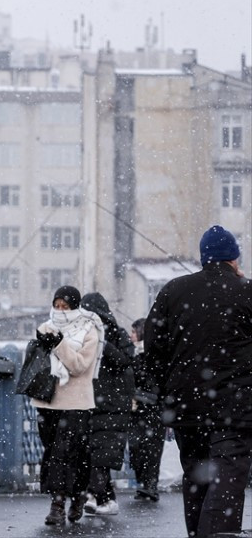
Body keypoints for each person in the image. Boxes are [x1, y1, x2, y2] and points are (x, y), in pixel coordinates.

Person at [145, 225, 251, 537]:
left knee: (197, 477)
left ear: (205, 258)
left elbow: (153, 348)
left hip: (187, 406)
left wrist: (165, 391)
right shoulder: (246, 291)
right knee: (227, 477)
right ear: (233, 259)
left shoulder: (173, 291)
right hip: (235, 407)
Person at [31, 285, 104, 526]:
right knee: (52, 453)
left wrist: (59, 344)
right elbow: (37, 362)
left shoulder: (88, 330)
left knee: (71, 453)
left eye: (65, 306)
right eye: (57, 306)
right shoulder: (45, 327)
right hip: (47, 401)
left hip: (76, 403)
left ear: (75, 306)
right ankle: (62, 498)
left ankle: (64, 502)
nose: (60, 310)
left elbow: (80, 365)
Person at [79, 292, 135, 517]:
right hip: (89, 402)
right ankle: (105, 499)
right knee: (93, 454)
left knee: (100, 455)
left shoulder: (117, 336)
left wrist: (103, 344)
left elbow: (125, 361)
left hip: (110, 406)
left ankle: (94, 496)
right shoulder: (81, 336)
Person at [128, 317, 164, 501]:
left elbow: (148, 379)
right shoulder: (131, 353)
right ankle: (144, 483)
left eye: (134, 332)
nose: (131, 335)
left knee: (151, 447)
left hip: (151, 407)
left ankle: (150, 485)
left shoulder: (151, 354)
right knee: (137, 447)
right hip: (137, 407)